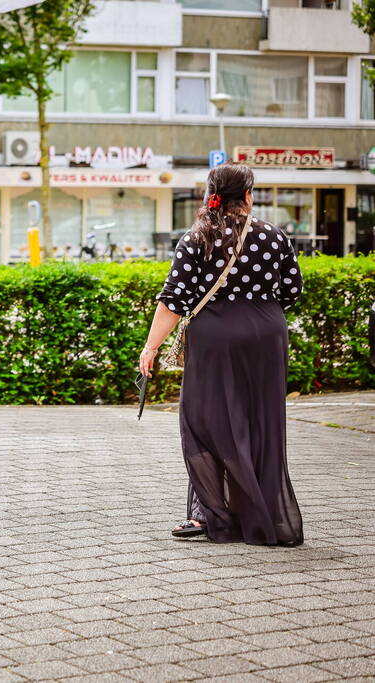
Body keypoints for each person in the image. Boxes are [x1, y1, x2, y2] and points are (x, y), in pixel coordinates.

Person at [139, 162, 304, 547]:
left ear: (210, 194)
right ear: (247, 195)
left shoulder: (197, 238)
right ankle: (260, 517)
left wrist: (151, 346)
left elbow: (174, 300)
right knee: (261, 422)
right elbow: (292, 291)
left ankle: (213, 516)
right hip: (267, 335)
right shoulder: (275, 236)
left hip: (215, 336)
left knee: (202, 422)